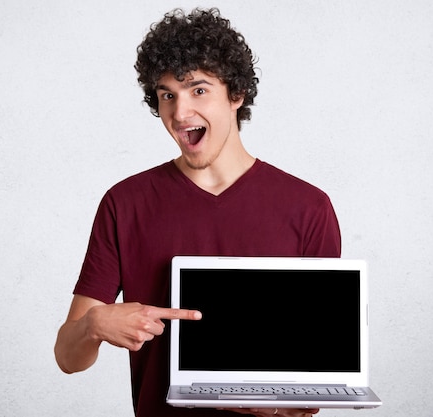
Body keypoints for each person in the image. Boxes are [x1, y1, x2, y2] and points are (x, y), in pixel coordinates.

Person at [55, 7, 341, 417]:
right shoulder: (125, 203)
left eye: (198, 90)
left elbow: (321, 366)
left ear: (236, 95)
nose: (180, 113)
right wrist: (94, 326)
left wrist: (274, 402)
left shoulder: (308, 207)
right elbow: (68, 357)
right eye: (167, 94)